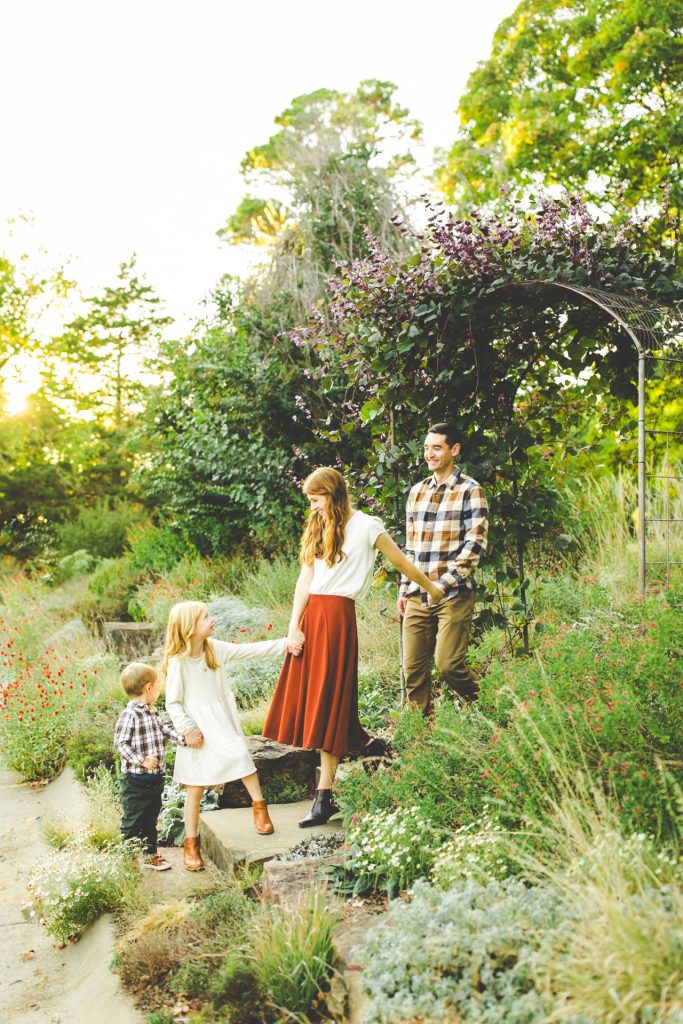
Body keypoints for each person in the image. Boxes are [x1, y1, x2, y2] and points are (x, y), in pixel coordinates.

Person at [262, 466, 445, 828]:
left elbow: (400, 562)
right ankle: (361, 749)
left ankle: (324, 796)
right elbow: (305, 578)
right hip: (313, 617)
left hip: (337, 618)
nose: (313, 507)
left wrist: (431, 588)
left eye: (316, 500)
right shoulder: (318, 526)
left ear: (332, 494)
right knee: (320, 701)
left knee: (329, 699)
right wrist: (294, 626)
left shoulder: (367, 526)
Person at [163, 601, 292, 871]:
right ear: (189, 628)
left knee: (242, 758)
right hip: (196, 729)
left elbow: (249, 650)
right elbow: (173, 703)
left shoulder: (214, 649)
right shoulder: (178, 662)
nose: (212, 619)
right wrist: (188, 730)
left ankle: (260, 808)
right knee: (195, 787)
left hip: (221, 723)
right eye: (205, 617)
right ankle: (191, 843)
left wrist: (286, 643)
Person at [398, 422, 488, 713]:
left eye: (437, 448)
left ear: (454, 450)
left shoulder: (470, 491)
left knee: (448, 664)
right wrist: (404, 587)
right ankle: (420, 732)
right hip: (417, 593)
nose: (429, 454)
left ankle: (490, 707)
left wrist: (442, 585)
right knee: (413, 672)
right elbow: (410, 548)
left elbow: (474, 545)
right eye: (427, 448)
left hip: (453, 593)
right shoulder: (416, 492)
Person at [114, 661, 203, 871]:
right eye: (157, 686)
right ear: (148, 688)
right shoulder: (130, 715)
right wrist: (142, 760)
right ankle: (127, 862)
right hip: (134, 782)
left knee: (150, 820)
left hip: (154, 780)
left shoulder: (152, 713)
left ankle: (151, 856)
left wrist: (185, 739)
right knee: (132, 822)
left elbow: (166, 730)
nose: (158, 690)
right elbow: (121, 744)